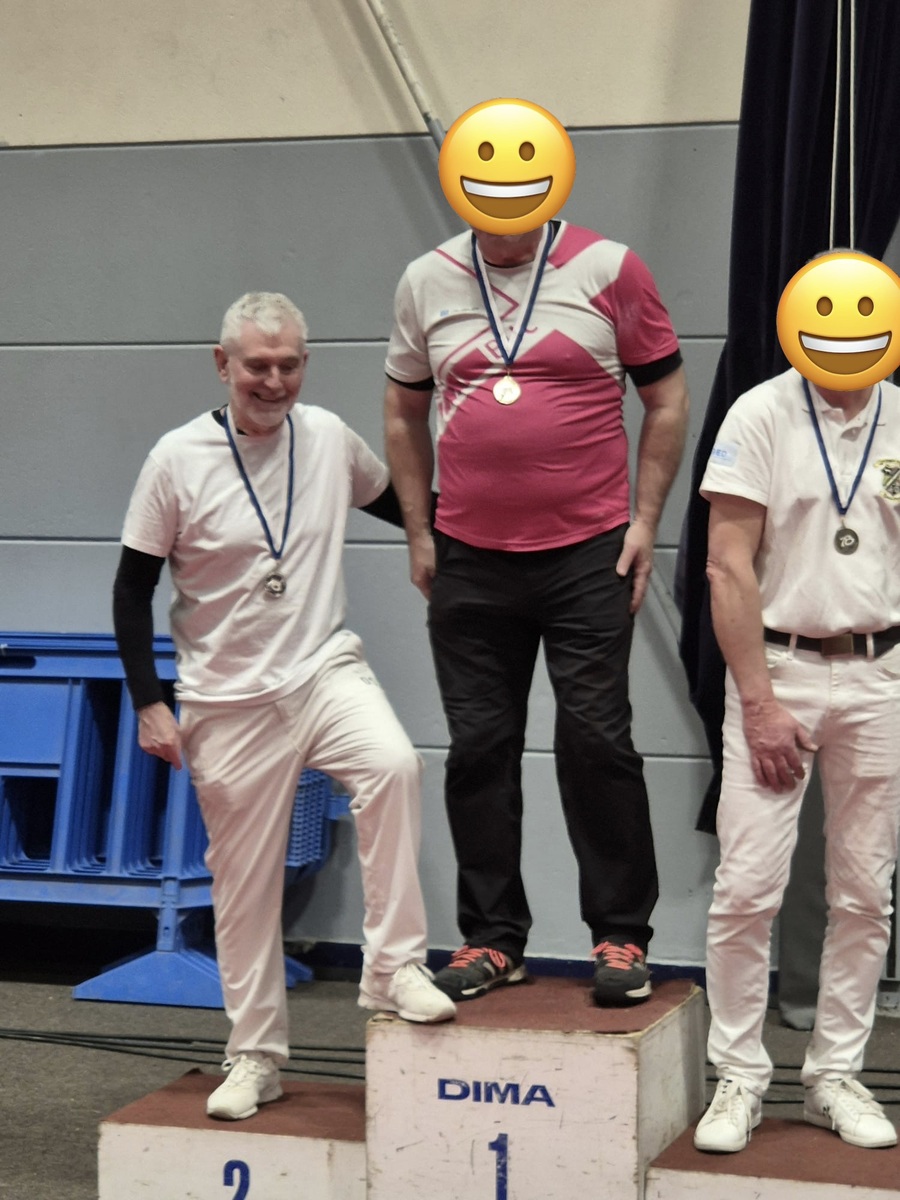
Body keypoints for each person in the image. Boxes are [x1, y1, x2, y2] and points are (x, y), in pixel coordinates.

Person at [113, 291, 455, 1123]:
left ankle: (394, 968)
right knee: (245, 887)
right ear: (221, 364)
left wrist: (502, 535)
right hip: (225, 700)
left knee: (394, 766)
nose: (274, 382)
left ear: (307, 363)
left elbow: (410, 505)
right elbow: (130, 589)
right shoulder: (177, 458)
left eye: (289, 365)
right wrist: (151, 704)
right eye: (257, 366)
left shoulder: (329, 437)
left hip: (322, 669)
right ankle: (256, 1056)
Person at [383, 219, 689, 1006]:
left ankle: (621, 935)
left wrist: (645, 523)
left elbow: (666, 400)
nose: (504, 223)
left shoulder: (611, 268)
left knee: (596, 739)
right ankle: (492, 939)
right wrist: (419, 531)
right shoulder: (427, 278)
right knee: (478, 748)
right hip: (470, 556)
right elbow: (403, 412)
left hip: (588, 552)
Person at [693, 361, 900, 1152]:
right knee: (747, 886)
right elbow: (725, 565)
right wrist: (758, 702)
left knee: (865, 892)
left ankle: (834, 1076)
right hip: (777, 670)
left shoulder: (897, 416)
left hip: (880, 672)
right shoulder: (760, 413)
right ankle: (739, 1076)